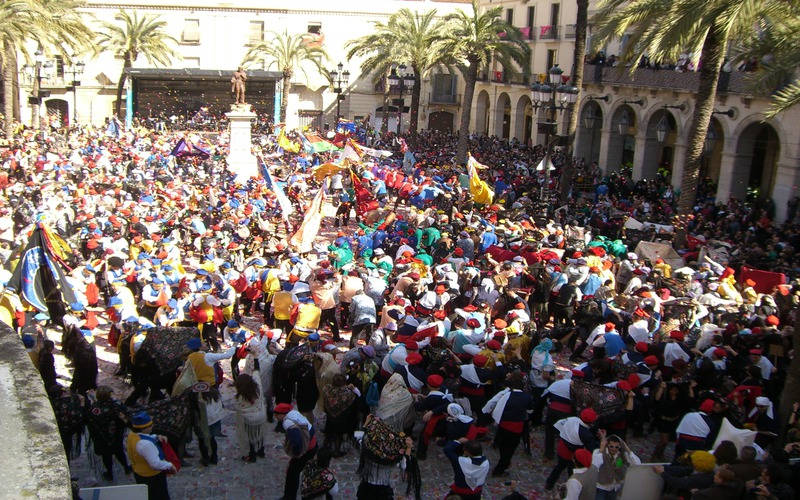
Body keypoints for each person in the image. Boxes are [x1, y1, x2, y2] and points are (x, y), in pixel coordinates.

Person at [126, 411, 177, 500]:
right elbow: (155, 464)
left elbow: (146, 436)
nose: (152, 426)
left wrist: (156, 437)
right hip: (152, 477)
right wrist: (169, 465)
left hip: (139, 473)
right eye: (150, 425)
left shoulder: (132, 435)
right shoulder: (145, 444)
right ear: (142, 428)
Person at [86, 386, 132, 481]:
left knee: (106, 455)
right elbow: (127, 415)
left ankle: (109, 473)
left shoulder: (94, 408)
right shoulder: (116, 405)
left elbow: (90, 421)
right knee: (119, 451)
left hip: (102, 436)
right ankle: (126, 468)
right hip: (115, 434)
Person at [275, 402, 318, 500]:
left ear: (282, 414)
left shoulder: (287, 422)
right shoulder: (294, 413)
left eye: (277, 414)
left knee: (293, 472)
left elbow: (296, 439)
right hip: (313, 445)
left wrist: (296, 453)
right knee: (295, 470)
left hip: (307, 449)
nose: (275, 417)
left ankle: (290, 496)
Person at [592, 431, 641, 500]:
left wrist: (628, 449)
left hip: (615, 488)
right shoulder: (599, 452)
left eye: (616, 447)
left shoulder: (621, 455)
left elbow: (637, 464)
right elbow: (594, 465)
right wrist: (601, 450)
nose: (614, 449)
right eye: (611, 446)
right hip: (601, 487)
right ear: (607, 445)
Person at [234, 364, 267, 463]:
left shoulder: (240, 398)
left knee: (250, 436)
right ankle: (261, 450)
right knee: (259, 433)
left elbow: (239, 408)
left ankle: (252, 454)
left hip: (248, 420)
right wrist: (256, 357)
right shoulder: (258, 390)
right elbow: (257, 371)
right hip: (261, 416)